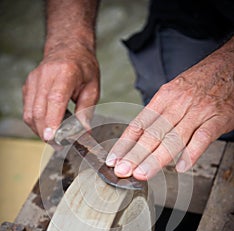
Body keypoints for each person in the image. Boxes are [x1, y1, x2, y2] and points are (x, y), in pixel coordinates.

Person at [23, 0, 234, 184]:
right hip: (195, 14)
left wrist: (226, 73)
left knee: (208, 127)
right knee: (168, 116)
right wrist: (68, 41)